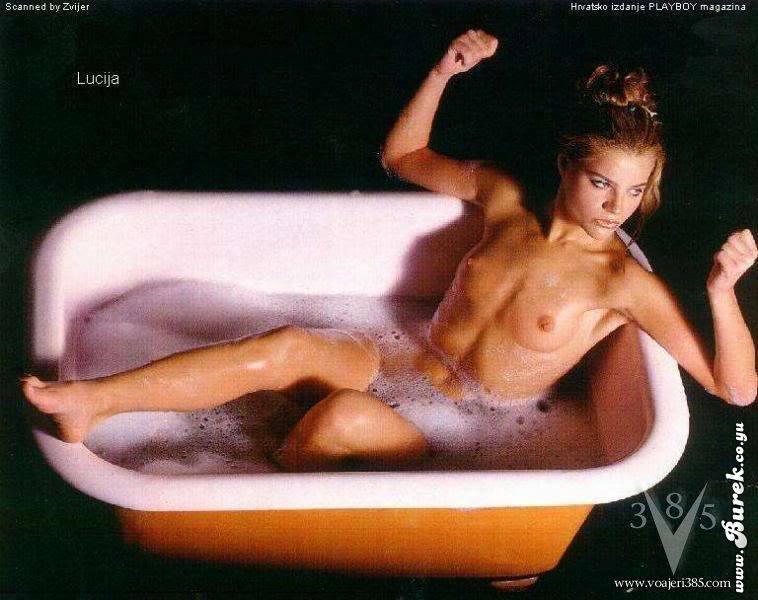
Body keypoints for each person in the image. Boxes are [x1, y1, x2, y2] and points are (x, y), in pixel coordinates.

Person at [22, 30, 756, 473]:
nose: (616, 206)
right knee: (286, 345)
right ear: (566, 164)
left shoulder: (622, 284)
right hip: (401, 364)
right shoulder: (506, 201)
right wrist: (444, 71)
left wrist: (721, 293)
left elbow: (737, 389)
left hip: (463, 438)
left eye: (634, 191)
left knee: (340, 417)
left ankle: (263, 502)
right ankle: (91, 402)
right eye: (601, 182)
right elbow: (403, 156)